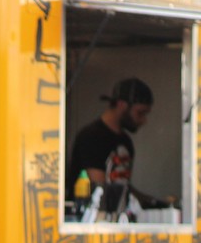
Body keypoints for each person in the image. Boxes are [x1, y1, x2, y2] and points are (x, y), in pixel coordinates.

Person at [66, 77, 177, 221]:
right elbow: (99, 188)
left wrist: (154, 202)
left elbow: (122, 186)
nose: (144, 120)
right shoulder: (91, 137)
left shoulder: (125, 141)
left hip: (116, 220)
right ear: (122, 105)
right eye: (140, 113)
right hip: (89, 220)